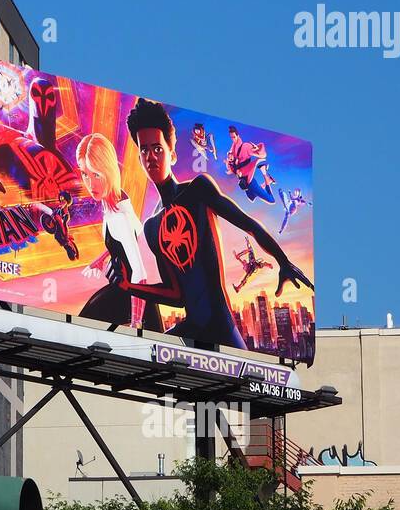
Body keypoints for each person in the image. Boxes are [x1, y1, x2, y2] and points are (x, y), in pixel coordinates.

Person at [118, 99, 310, 349]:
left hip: (223, 333)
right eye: (144, 150)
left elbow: (249, 225)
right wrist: (129, 286)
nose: (150, 156)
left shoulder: (198, 189)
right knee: (144, 351)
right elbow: (176, 295)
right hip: (192, 332)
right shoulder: (152, 227)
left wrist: (283, 261)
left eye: (157, 148)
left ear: (172, 153)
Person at [73, 132, 163, 331]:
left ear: (108, 170)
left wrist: (136, 321)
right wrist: (98, 261)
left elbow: (140, 272)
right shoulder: (118, 201)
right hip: (126, 293)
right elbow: (130, 238)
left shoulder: (117, 217)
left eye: (96, 174)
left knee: (82, 325)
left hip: (133, 299)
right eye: (85, 174)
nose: (90, 183)